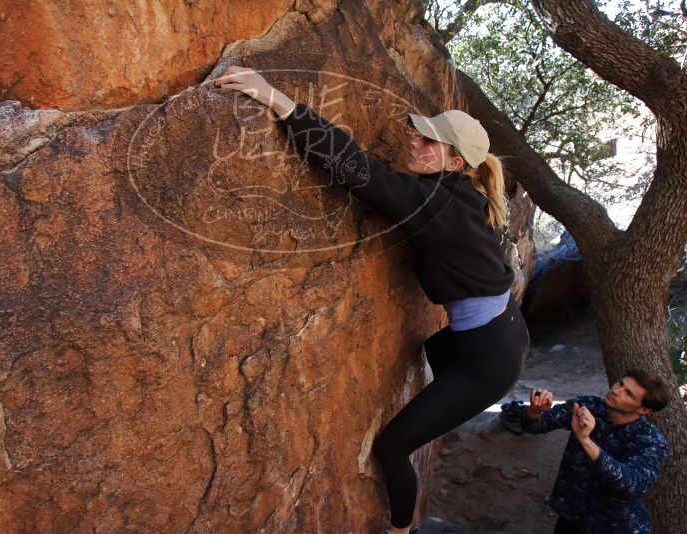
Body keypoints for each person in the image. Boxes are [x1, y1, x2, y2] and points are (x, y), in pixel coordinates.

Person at [214, 65, 530, 534]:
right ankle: (451, 406)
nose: (414, 144)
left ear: (456, 163)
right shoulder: (460, 194)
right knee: (430, 352)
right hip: (497, 332)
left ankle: (403, 529)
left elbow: (357, 170)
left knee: (393, 446)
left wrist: (278, 101)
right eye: (419, 135)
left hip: (490, 358)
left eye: (430, 143)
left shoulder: (437, 203)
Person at [523, 369, 671, 534]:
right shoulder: (589, 406)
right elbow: (537, 425)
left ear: (643, 410)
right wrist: (535, 412)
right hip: (572, 518)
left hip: (613, 527)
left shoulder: (651, 441)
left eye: (628, 394)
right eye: (620, 383)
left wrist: (586, 441)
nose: (616, 391)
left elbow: (630, 484)